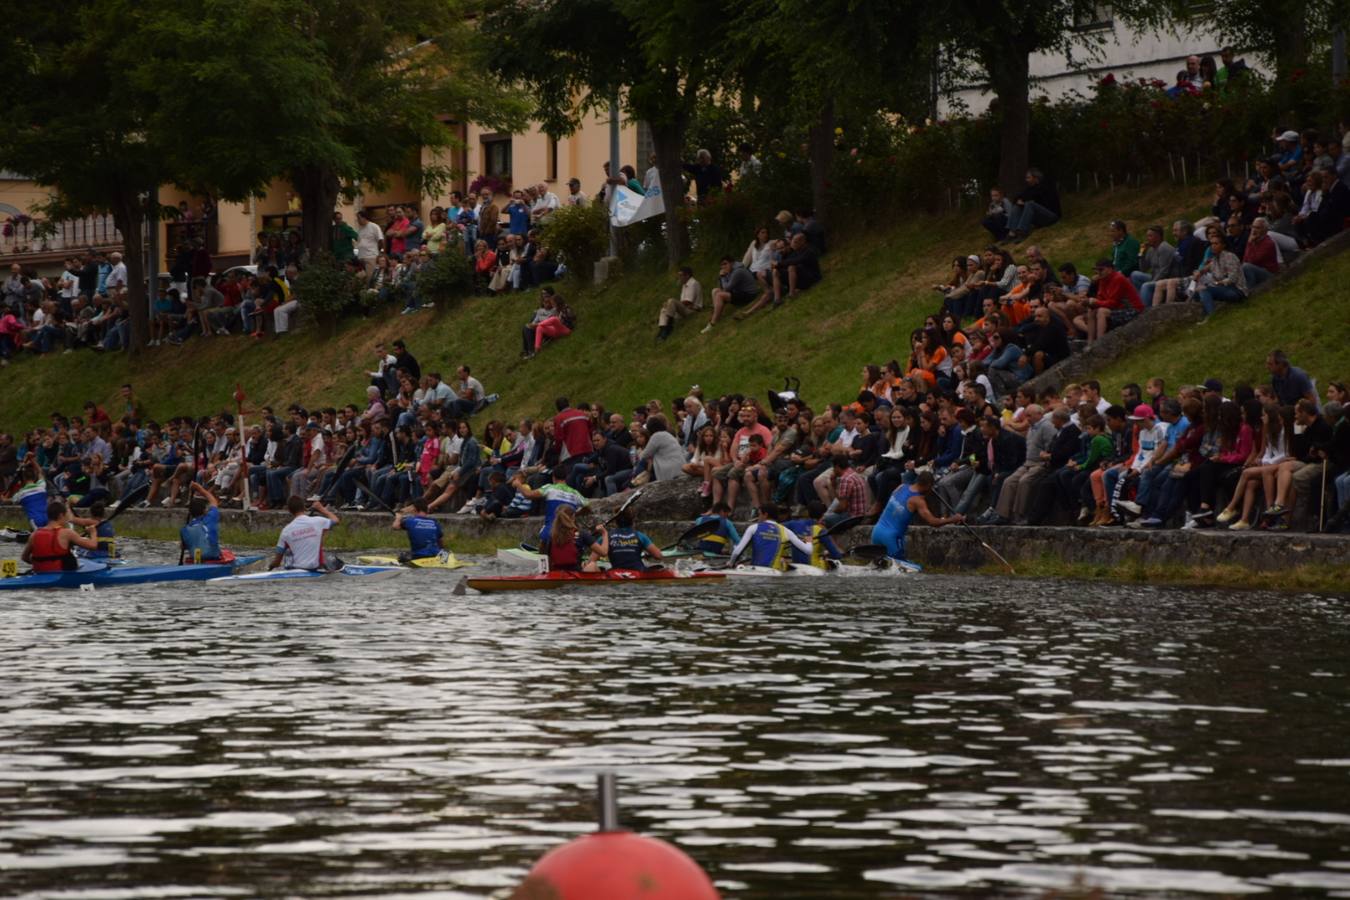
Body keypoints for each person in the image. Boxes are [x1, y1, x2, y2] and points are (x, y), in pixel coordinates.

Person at [869, 471, 962, 561]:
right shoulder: (918, 501)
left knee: (880, 566)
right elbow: (933, 522)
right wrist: (953, 519)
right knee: (909, 570)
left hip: (876, 532)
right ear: (928, 485)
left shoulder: (901, 487)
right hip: (891, 539)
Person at [22, 499, 101, 572]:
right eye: (66, 516)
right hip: (61, 574)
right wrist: (93, 533)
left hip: (40, 572)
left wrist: (43, 564)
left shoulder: (34, 534)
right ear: (61, 515)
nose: (66, 519)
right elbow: (93, 546)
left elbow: (24, 558)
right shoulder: (67, 533)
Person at [728, 503, 813, 570]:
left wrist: (731, 563)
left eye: (759, 514)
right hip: (774, 572)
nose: (758, 517)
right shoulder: (786, 531)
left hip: (755, 571)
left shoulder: (754, 528)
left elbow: (736, 552)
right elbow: (808, 551)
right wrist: (809, 541)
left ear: (765, 514)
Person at [270, 495, 339, 571]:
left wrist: (270, 566)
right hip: (315, 568)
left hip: (296, 570)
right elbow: (336, 520)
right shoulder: (318, 521)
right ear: (304, 507)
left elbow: (277, 562)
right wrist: (321, 509)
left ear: (289, 510)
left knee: (288, 551)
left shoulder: (286, 531)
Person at [701, 257, 759, 333]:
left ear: (732, 263)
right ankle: (716, 314)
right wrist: (722, 277)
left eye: (725, 264)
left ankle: (712, 323)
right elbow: (722, 287)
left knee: (719, 295)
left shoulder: (738, 271)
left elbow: (726, 288)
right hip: (739, 292)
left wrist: (722, 277)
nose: (723, 267)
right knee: (715, 291)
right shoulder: (731, 270)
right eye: (722, 265)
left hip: (749, 295)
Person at [1004, 168, 1061, 242]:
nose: (1026, 180)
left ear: (1036, 178)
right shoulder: (1030, 188)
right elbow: (1018, 197)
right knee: (1017, 206)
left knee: (1030, 204)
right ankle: (1012, 233)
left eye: (1028, 178)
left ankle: (1023, 231)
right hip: (1040, 218)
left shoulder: (1046, 186)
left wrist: (1024, 202)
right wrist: (1019, 201)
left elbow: (1037, 199)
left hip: (1051, 216)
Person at [784, 501, 844, 570]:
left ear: (807, 513)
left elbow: (777, 527)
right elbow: (836, 555)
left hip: (797, 569)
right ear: (822, 515)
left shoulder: (793, 524)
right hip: (814, 570)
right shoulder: (821, 530)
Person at [545, 505, 601, 572]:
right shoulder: (581, 533)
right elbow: (603, 552)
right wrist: (604, 533)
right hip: (575, 573)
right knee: (592, 565)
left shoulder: (551, 536)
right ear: (573, 517)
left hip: (556, 573)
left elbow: (548, 560)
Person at [180, 482, 225, 563]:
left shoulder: (185, 529)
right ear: (204, 511)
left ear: (191, 513)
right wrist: (199, 488)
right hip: (212, 557)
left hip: (196, 558)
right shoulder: (211, 517)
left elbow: (183, 547)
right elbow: (213, 501)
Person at [657, 266, 703, 341]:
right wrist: (668, 305)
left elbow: (688, 301)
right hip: (686, 308)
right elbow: (683, 301)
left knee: (671, 301)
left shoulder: (693, 283)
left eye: (681, 275)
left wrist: (671, 304)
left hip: (692, 309)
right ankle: (663, 329)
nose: (679, 277)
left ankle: (669, 326)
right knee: (664, 309)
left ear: (687, 275)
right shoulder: (684, 285)